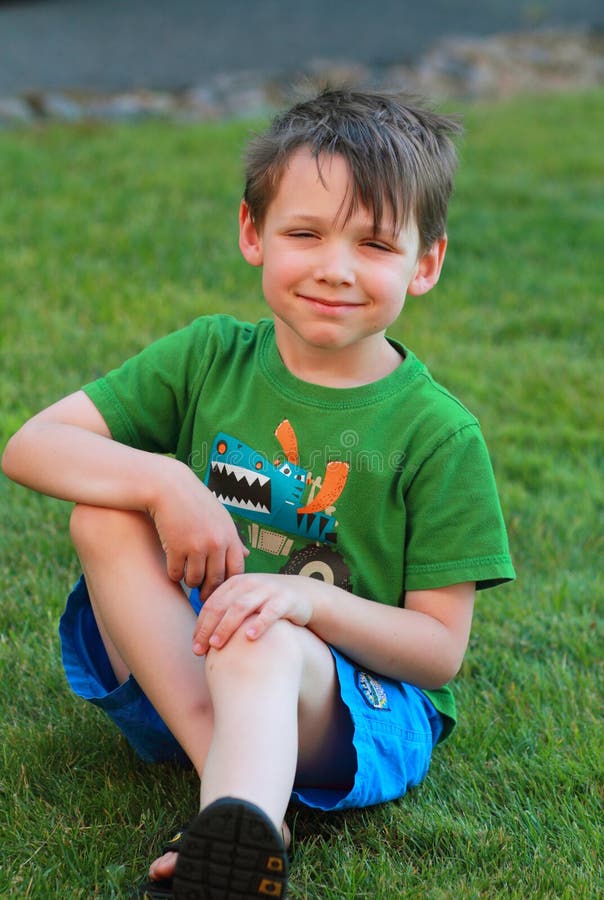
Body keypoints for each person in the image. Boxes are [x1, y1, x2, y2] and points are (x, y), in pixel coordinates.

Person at [2, 88, 515, 899]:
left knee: (262, 633)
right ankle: (243, 811)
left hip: (345, 708)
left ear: (426, 263)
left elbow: (437, 651)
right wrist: (165, 477)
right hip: (184, 674)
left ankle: (236, 816)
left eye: (375, 243)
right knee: (105, 505)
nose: (334, 268)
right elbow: (30, 446)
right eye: (304, 233)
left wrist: (301, 604)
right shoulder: (210, 356)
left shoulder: (438, 434)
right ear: (253, 233)